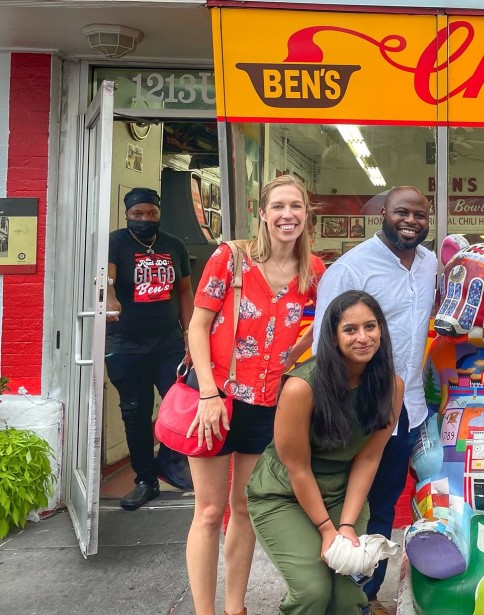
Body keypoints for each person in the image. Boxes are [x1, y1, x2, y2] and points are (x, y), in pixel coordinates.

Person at [186, 174, 327, 615]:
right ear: (262, 214)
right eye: (278, 206)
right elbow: (197, 327)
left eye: (296, 206)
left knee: (244, 508)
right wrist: (207, 394)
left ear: (306, 214)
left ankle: (235, 608)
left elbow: (324, 324)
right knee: (210, 512)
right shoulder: (230, 258)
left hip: (266, 404)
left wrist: (293, 359)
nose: (288, 215)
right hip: (216, 399)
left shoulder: (313, 271)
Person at [312, 186, 436, 615]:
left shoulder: (429, 263)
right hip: (359, 411)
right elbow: (324, 344)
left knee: (384, 505)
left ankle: (366, 597)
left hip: (409, 409)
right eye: (402, 212)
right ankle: (334, 596)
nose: (411, 221)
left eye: (420, 215)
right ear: (382, 213)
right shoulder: (351, 269)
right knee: (348, 506)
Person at [248, 291, 403, 615]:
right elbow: (298, 468)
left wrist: (345, 525)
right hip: (284, 494)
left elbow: (368, 458)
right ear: (333, 337)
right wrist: (326, 529)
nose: (363, 337)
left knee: (348, 595)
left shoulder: (391, 386)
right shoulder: (301, 387)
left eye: (370, 326)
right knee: (313, 590)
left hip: (342, 493)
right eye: (350, 329)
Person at [105, 187, 195, 509]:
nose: (144, 219)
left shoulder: (174, 245)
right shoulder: (116, 242)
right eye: (137, 214)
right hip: (125, 345)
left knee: (182, 404)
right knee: (136, 413)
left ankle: (169, 460)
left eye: (151, 213)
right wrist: (110, 297)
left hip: (168, 343)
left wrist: (190, 334)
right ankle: (145, 480)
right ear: (127, 214)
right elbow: (107, 279)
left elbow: (184, 291)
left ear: (159, 214)